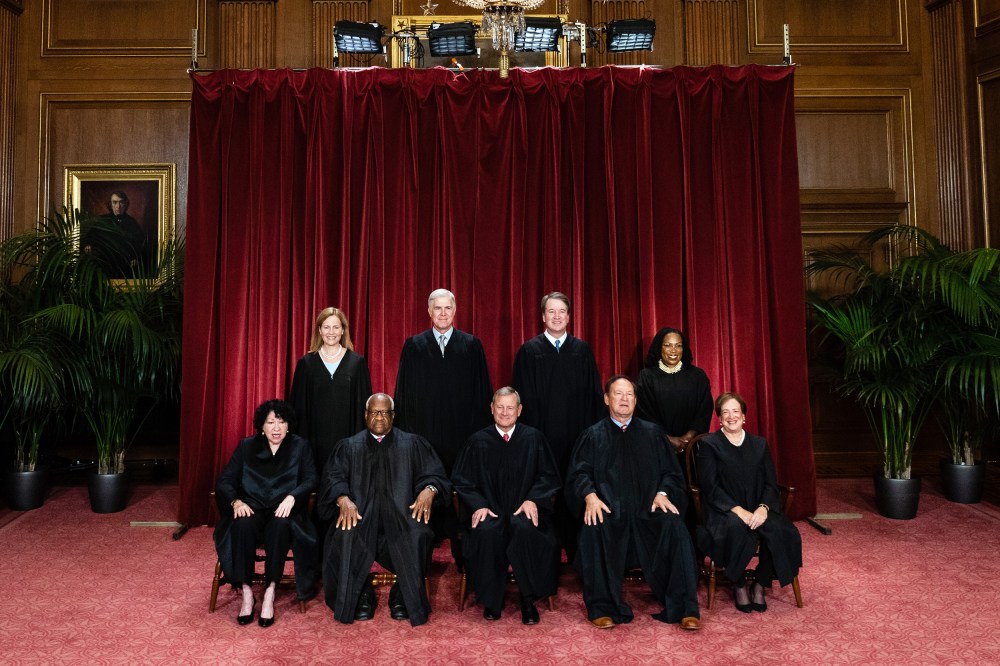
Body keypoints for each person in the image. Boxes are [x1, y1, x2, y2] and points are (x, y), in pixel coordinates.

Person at [567, 375, 701, 630]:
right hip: (610, 510)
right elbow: (578, 474)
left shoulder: (652, 434)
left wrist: (663, 493)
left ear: (636, 400)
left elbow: (671, 474)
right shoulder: (592, 436)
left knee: (674, 526)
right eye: (618, 394)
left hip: (647, 510)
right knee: (594, 527)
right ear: (607, 399)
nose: (624, 399)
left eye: (629, 394)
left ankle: (685, 608)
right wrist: (590, 496)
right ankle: (602, 607)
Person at [319, 393, 452, 627]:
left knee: (419, 533)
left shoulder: (412, 444)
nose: (379, 417)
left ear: (393, 416)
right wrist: (342, 499)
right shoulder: (349, 446)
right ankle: (358, 595)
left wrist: (429, 490)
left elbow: (435, 474)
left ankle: (403, 594)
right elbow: (333, 478)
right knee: (344, 534)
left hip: (402, 517)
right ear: (365, 415)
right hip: (361, 516)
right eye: (374, 412)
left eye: (384, 412)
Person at [394, 288, 492, 562]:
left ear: (455, 310)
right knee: (427, 482)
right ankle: (429, 536)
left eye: (448, 308)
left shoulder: (471, 345)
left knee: (461, 486)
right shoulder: (414, 346)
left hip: (462, 434)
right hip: (425, 435)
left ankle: (462, 537)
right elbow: (403, 394)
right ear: (429, 312)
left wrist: (479, 437)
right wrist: (409, 437)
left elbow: (482, 394)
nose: (443, 313)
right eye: (437, 308)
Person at [451, 387, 562, 625]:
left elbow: (548, 477)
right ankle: (492, 600)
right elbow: (462, 481)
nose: (504, 412)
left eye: (510, 407)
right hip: (490, 511)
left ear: (519, 410)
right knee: (487, 531)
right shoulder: (477, 441)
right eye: (499, 407)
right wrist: (478, 505)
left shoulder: (534, 438)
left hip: (524, 510)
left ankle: (529, 600)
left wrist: (533, 499)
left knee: (526, 529)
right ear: (491, 409)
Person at [511, 291, 603, 562]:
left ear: (569, 316)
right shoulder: (529, 351)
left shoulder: (582, 351)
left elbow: (594, 397)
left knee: (576, 491)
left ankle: (578, 554)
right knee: (544, 493)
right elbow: (521, 400)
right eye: (551, 311)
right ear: (543, 316)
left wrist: (591, 438)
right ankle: (544, 556)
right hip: (542, 439)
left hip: (577, 439)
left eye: (562, 311)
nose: (556, 316)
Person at [213, 399, 318, 628]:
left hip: (283, 509)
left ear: (289, 425)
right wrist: (235, 501)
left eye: (281, 422)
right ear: (262, 426)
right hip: (252, 506)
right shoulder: (246, 446)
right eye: (271, 422)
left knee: (280, 526)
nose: (277, 428)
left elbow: (311, 478)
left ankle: (270, 589)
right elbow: (225, 481)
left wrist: (293, 496)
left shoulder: (300, 447)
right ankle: (247, 590)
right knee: (241, 523)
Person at [695, 392, 803, 613]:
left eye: (736, 411)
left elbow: (770, 483)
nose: (731, 416)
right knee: (734, 529)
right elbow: (710, 487)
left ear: (744, 416)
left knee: (782, 531)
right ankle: (739, 583)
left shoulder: (759, 444)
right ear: (719, 418)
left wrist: (763, 508)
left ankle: (760, 583)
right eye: (725, 412)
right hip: (724, 509)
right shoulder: (709, 444)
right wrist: (739, 511)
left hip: (758, 507)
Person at [290, 307, 372, 474]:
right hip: (314, 443)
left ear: (343, 330)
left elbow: (364, 409)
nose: (331, 332)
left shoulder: (357, 363)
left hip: (348, 441)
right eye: (326, 327)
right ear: (319, 330)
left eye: (336, 327)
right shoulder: (306, 364)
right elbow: (297, 410)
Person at [635, 327, 713, 452]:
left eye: (678, 346)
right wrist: (668, 440)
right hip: (657, 447)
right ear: (659, 348)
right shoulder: (646, 377)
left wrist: (688, 438)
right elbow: (644, 413)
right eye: (667, 345)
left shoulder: (697, 376)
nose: (673, 350)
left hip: (691, 449)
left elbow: (704, 410)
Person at [100, 190, 150, 275]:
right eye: (115, 202)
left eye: (121, 202)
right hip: (106, 263)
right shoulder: (102, 220)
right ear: (110, 204)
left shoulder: (132, 222)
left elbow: (140, 244)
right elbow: (92, 237)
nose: (118, 206)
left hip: (127, 264)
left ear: (126, 204)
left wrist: (135, 258)